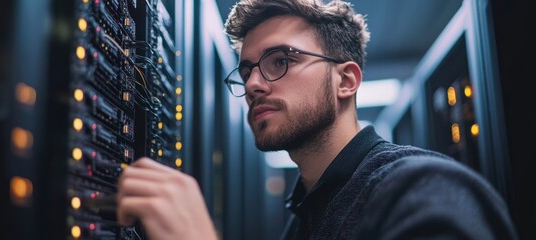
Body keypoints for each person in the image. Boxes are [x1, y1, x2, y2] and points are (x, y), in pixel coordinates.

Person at [116, 0, 519, 239]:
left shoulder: (422, 188)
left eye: (280, 61)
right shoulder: (306, 214)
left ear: (346, 80)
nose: (254, 83)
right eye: (246, 71)